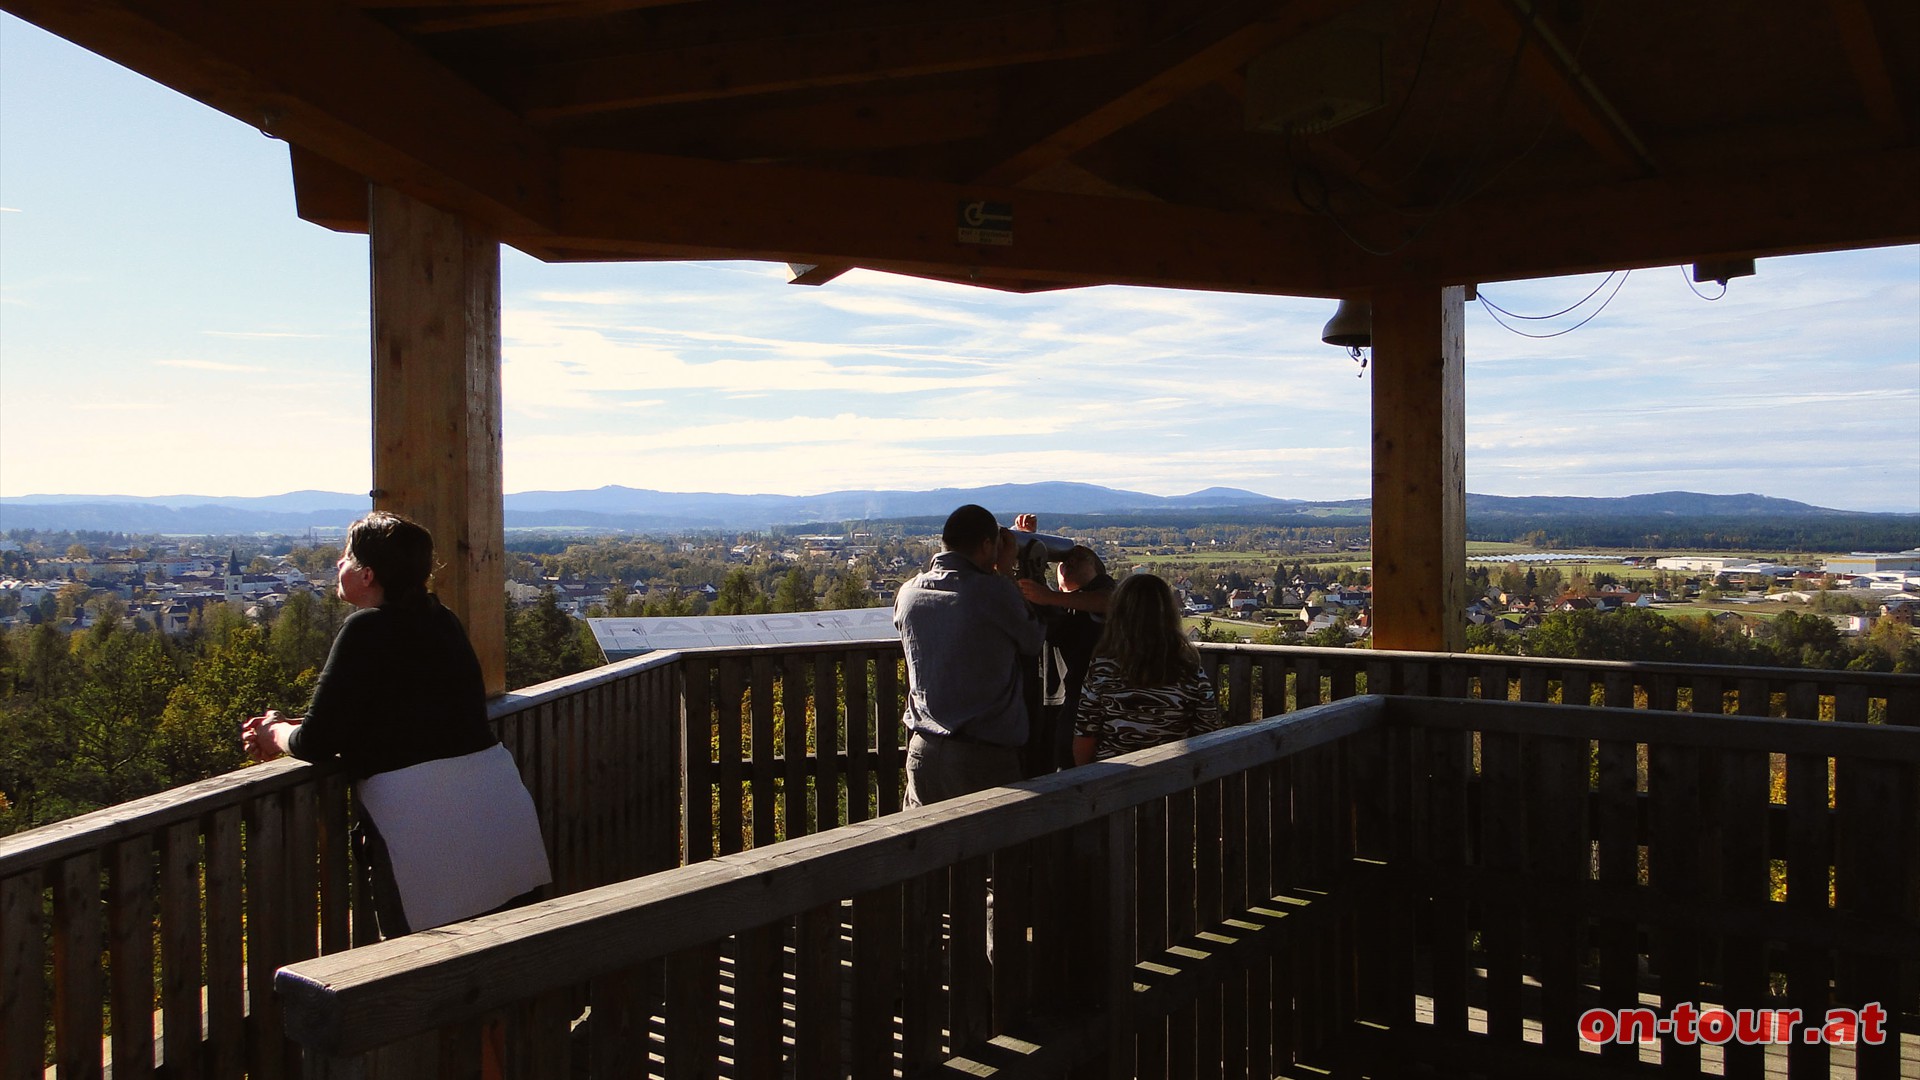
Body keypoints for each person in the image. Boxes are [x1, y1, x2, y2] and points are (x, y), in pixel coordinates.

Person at [242, 511, 549, 936]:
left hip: (422, 821)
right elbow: (409, 711)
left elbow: (315, 742)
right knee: (511, 949)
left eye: (346, 556)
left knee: (424, 964)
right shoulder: (441, 619)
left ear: (367, 575)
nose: (338, 564)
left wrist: (272, 733)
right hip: (494, 801)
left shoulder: (366, 628)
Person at [896, 504, 1045, 806]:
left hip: (924, 748)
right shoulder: (992, 591)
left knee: (927, 848)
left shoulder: (909, 592)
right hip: (984, 756)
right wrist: (1005, 572)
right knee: (992, 850)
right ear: (987, 545)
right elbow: (1032, 640)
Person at [1074, 572, 1223, 765]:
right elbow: (1207, 730)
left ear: (1119, 614)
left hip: (1112, 778)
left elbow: (1085, 736)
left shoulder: (1103, 670)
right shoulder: (1189, 669)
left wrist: (1087, 781)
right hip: (1172, 779)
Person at [1018, 544, 1115, 771]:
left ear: (1097, 569)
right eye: (1064, 561)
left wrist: (1050, 597)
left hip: (1096, 700)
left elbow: (1110, 601)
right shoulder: (1060, 605)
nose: (1069, 563)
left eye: (1080, 559)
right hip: (1067, 702)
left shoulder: (1103, 588)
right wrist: (1024, 546)